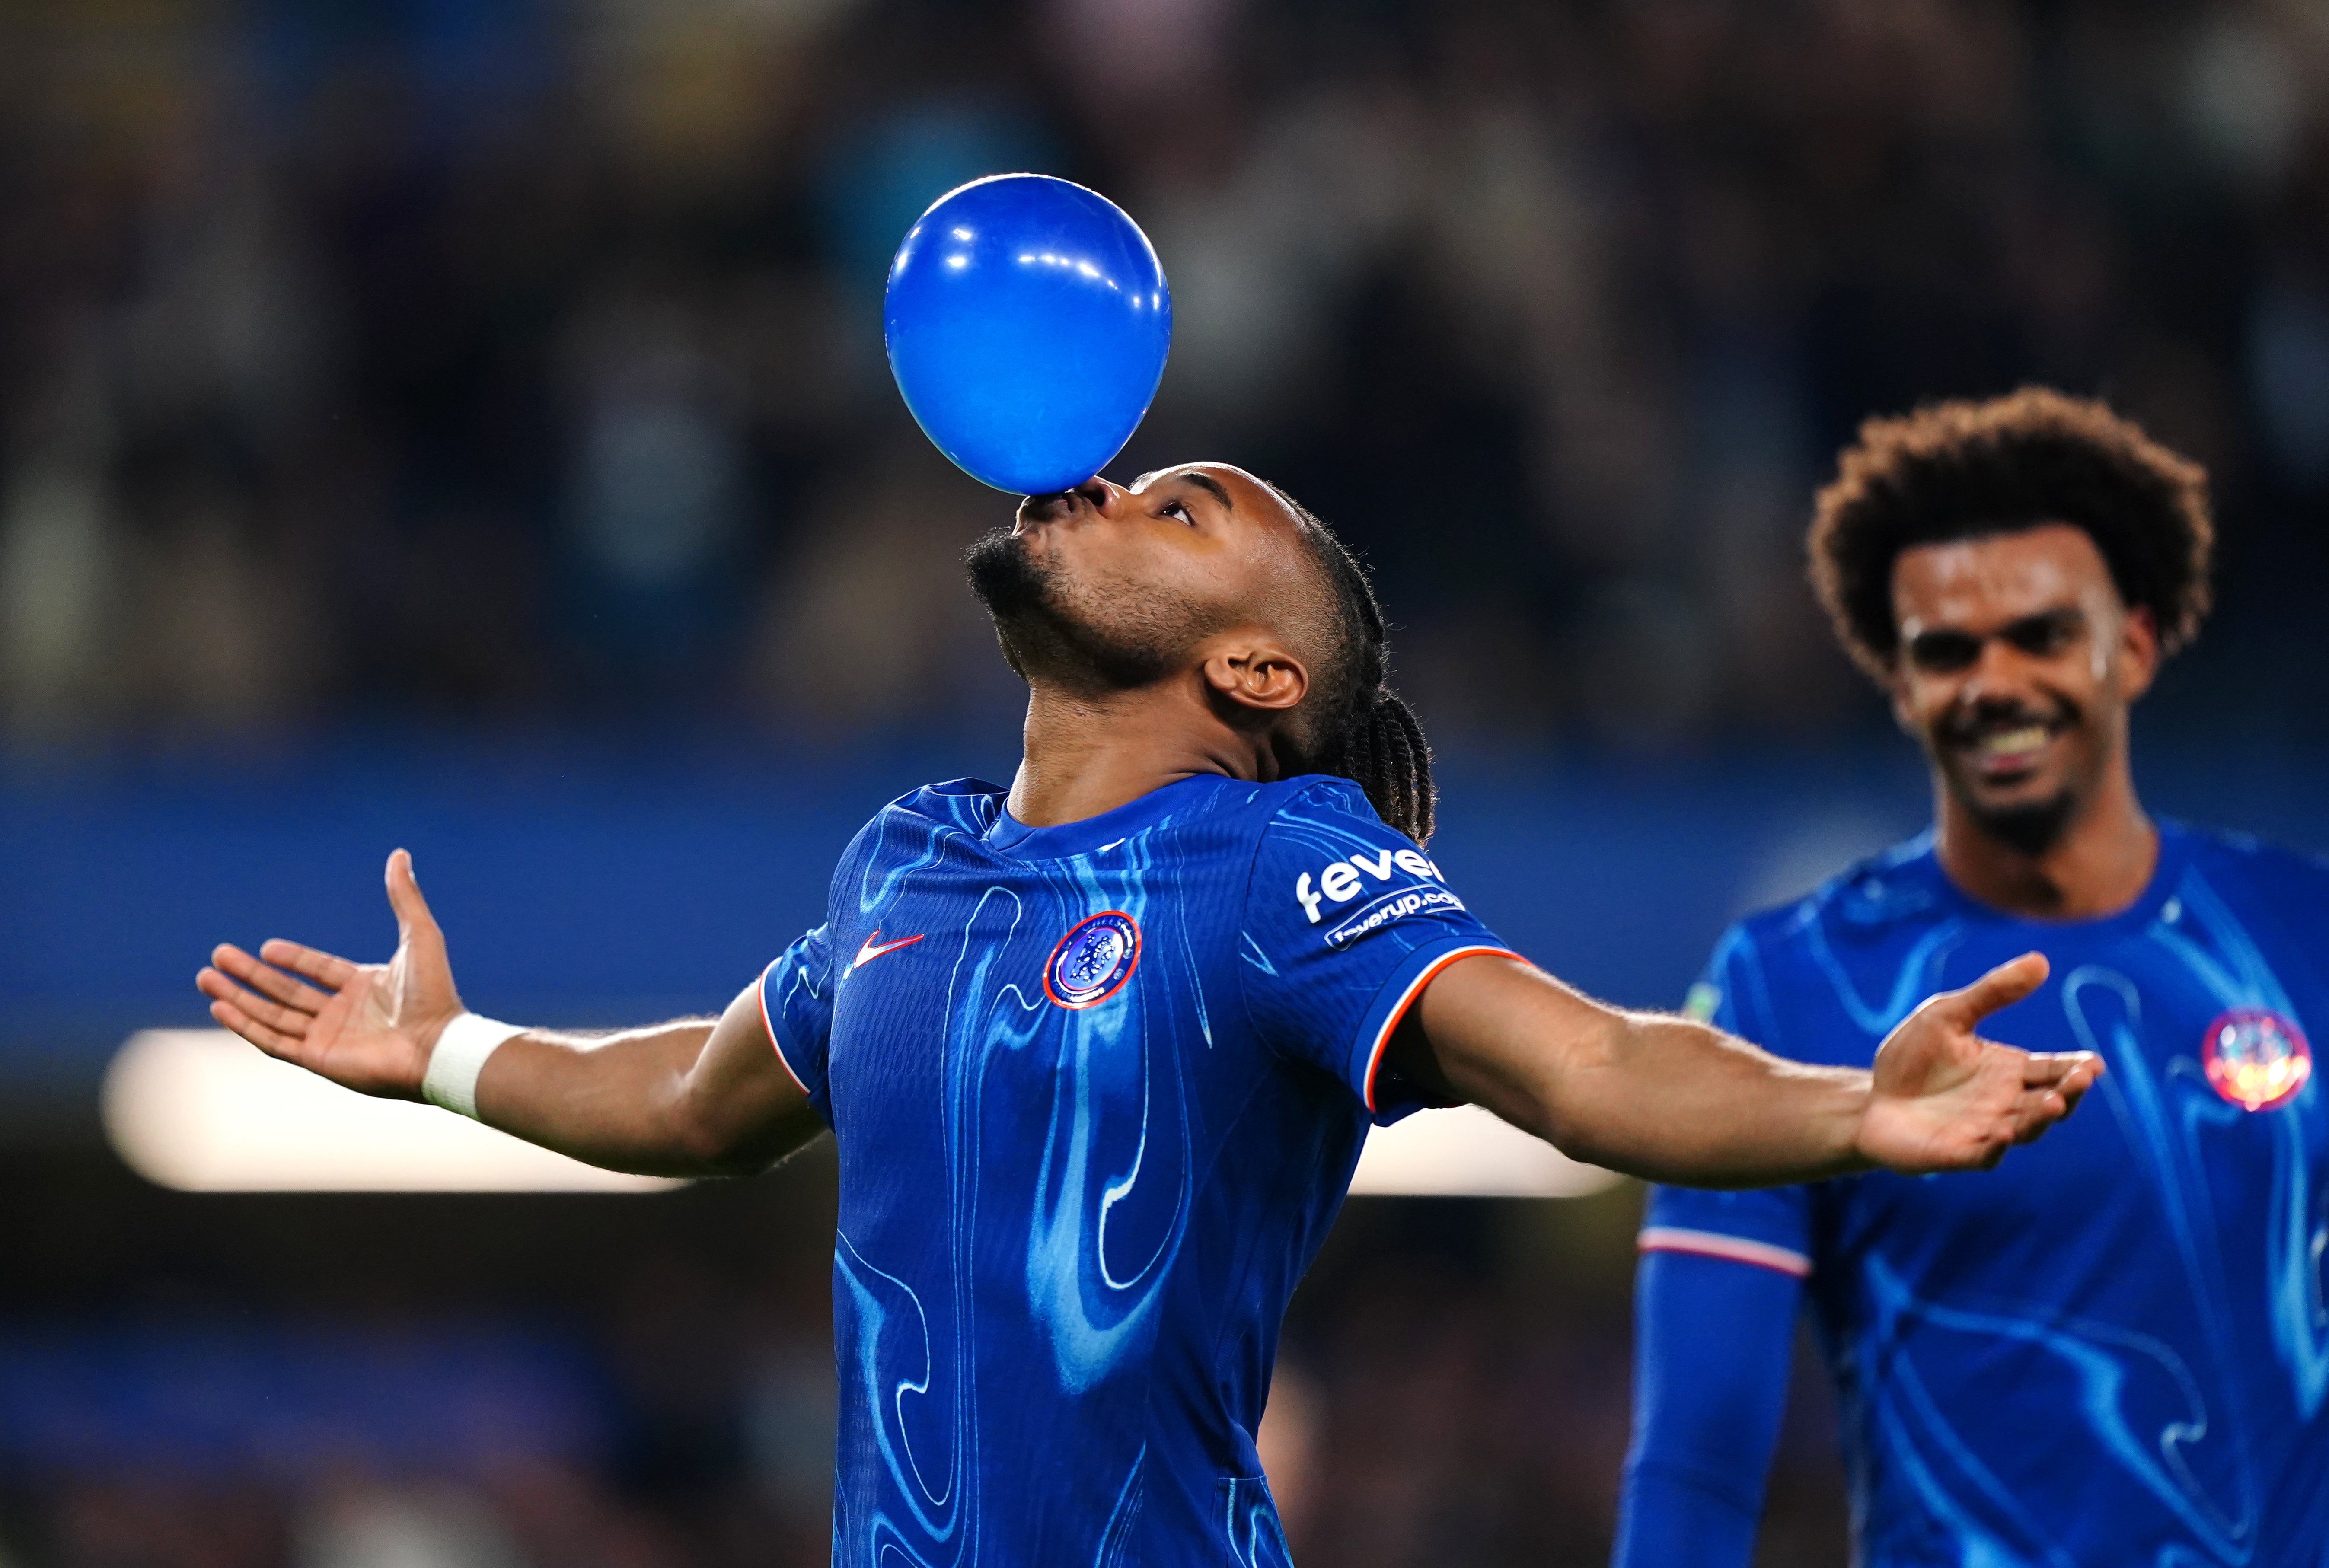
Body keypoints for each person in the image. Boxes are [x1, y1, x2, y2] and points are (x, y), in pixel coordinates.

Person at [197, 465, 2096, 1568]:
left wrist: (1849, 1108)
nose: (1099, 477)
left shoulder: (1280, 872)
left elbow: (1587, 1059)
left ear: (1253, 665)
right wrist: (443, 1053)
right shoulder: (901, 865)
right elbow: (695, 1100)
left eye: (1178, 508)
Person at [1614, 389, 2329, 1568]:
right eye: (1945, 651)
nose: (1993, 681)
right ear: (1897, 683)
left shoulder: (2301, 932)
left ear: (2133, 645)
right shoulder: (1791, 985)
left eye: (2040, 634)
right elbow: (1695, 1455)